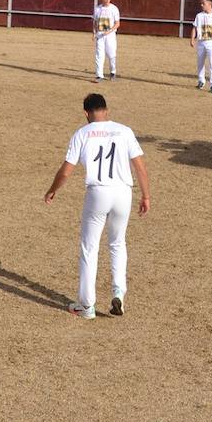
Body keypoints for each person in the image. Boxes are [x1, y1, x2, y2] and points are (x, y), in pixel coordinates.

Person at [43, 93, 151, 320]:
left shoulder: (81, 134)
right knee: (118, 243)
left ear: (86, 113)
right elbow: (140, 167)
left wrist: (53, 189)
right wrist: (146, 196)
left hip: (98, 193)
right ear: (106, 110)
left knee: (89, 248)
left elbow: (66, 171)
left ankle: (86, 306)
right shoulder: (124, 131)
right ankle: (118, 292)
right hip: (123, 193)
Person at [191, 0, 212, 92]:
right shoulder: (199, 16)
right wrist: (192, 39)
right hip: (201, 42)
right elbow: (194, 27)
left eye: (203, 4)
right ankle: (201, 80)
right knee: (200, 62)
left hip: (211, 42)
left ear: (209, 4)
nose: (201, 5)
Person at [93, 0, 121, 82]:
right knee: (99, 55)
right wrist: (94, 33)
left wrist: (109, 31)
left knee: (111, 54)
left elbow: (117, 23)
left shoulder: (114, 9)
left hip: (110, 35)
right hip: (100, 34)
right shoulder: (98, 9)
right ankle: (99, 75)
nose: (107, 1)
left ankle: (113, 72)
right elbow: (95, 22)